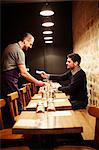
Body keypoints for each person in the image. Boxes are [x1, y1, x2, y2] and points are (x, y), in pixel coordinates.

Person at [1, 33, 45, 127]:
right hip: (9, 79)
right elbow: (24, 73)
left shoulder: (10, 46)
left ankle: (11, 127)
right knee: (18, 105)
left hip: (4, 79)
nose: (31, 46)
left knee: (8, 108)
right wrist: (37, 82)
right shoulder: (19, 51)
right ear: (25, 41)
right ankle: (21, 129)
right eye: (30, 44)